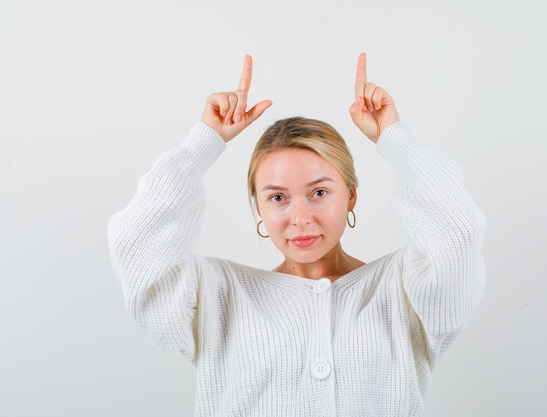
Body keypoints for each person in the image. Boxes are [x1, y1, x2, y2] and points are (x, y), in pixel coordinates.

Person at [108, 53, 486, 416]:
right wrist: (204, 141)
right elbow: (135, 244)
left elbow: (458, 232)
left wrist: (394, 138)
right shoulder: (216, 294)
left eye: (319, 192)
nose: (300, 218)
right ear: (258, 207)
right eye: (277, 197)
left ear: (351, 195)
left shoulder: (404, 289)